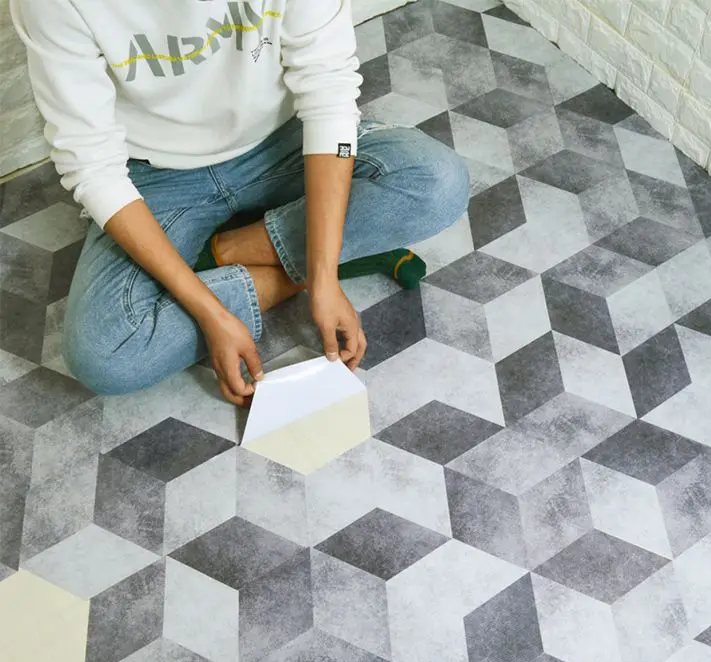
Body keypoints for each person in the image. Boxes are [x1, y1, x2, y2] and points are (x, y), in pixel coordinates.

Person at [11, 0, 469, 406]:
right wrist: (212, 313)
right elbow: (92, 166)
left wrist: (324, 277)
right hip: (155, 174)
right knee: (104, 356)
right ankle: (339, 250)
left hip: (284, 140)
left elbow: (329, 97)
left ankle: (232, 252)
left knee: (438, 183)